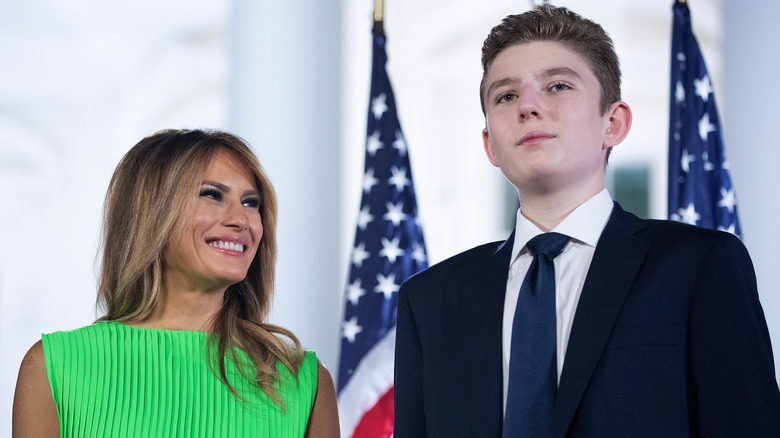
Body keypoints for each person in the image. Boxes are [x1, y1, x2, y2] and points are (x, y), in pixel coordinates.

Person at [394, 5, 780, 437]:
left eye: (558, 86)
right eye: (506, 96)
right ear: (491, 146)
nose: (529, 106)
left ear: (613, 123)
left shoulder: (700, 266)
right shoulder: (428, 301)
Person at [13, 129, 340, 437]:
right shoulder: (54, 367)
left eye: (251, 203)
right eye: (212, 195)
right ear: (151, 212)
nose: (241, 220)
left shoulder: (303, 380)